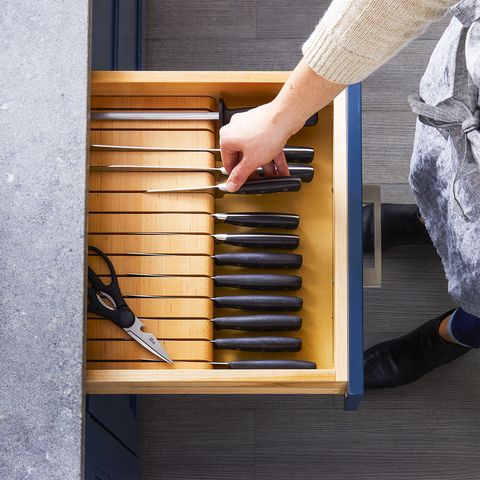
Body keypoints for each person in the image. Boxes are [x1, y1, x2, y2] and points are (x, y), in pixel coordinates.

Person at [219, 0, 480, 388]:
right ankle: (425, 224)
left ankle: (443, 338)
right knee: (443, 185)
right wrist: (281, 116)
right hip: (470, 102)